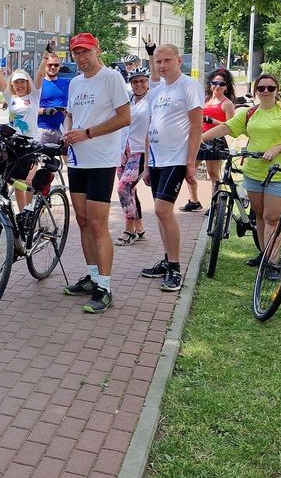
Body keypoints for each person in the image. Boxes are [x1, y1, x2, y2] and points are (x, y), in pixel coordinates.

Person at [201, 73, 281, 269]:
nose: (266, 91)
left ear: (277, 90)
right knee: (259, 216)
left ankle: (273, 263)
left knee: (272, 218)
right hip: (253, 172)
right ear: (255, 91)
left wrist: (277, 148)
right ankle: (265, 254)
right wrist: (197, 140)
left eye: (270, 88)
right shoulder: (249, 113)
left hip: (280, 173)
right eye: (261, 88)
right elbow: (225, 128)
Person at [59, 32, 132, 314]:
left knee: (98, 224)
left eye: (86, 51)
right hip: (78, 160)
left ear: (97, 50)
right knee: (82, 220)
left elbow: (125, 117)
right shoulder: (75, 82)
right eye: (77, 52)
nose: (81, 57)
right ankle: (92, 277)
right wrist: (68, 131)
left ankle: (105, 287)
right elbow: (69, 114)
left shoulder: (111, 77)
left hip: (101, 161)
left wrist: (87, 133)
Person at [140, 43, 203, 293]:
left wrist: (190, 162)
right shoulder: (155, 92)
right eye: (158, 62)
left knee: (163, 209)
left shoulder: (189, 86)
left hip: (176, 159)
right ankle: (167, 260)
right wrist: (146, 165)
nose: (162, 65)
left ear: (179, 60)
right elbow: (149, 129)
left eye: (167, 60)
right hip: (156, 160)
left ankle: (175, 268)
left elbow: (197, 127)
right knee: (159, 213)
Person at [0, 48, 49, 212]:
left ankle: (30, 212)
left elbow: (40, 74)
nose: (19, 85)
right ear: (12, 84)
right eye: (16, 82)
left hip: (31, 145)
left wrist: (46, 54)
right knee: (16, 182)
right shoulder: (10, 98)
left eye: (23, 82)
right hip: (14, 145)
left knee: (28, 181)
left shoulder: (33, 96)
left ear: (28, 83)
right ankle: (22, 215)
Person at [183, 69, 237, 212]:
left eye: (221, 84)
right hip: (198, 138)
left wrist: (212, 120)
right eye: (215, 83)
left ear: (226, 86)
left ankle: (216, 204)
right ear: (210, 84)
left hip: (215, 139)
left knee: (213, 174)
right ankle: (194, 200)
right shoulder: (206, 99)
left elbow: (231, 126)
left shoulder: (227, 104)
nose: (217, 86)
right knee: (188, 169)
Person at [115, 69, 152, 247]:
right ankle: (140, 228)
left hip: (140, 151)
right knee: (130, 191)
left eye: (142, 81)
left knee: (123, 188)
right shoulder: (128, 99)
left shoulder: (152, 100)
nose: (139, 85)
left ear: (148, 82)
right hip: (123, 151)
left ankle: (129, 230)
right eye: (135, 82)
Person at [38, 42, 71, 145]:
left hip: (62, 130)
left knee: (64, 161)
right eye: (50, 65)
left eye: (56, 65)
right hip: (43, 130)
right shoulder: (39, 84)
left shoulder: (67, 83)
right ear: (45, 66)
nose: (53, 67)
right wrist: (46, 111)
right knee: (42, 160)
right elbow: (29, 108)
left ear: (59, 66)